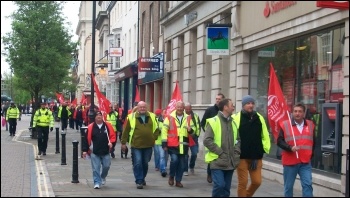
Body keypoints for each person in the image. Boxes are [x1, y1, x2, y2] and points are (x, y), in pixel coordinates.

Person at [232, 95, 271, 197]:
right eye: (248, 103)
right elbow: (232, 136)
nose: (251, 105)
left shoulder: (259, 117)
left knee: (257, 182)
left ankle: (246, 195)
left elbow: (265, 135)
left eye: (252, 103)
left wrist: (263, 150)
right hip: (241, 156)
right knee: (243, 182)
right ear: (243, 105)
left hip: (256, 157)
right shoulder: (236, 118)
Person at [204, 98, 241, 197]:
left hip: (230, 161)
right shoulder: (213, 121)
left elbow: (238, 140)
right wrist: (220, 152)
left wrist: (236, 153)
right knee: (220, 185)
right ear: (225, 107)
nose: (233, 107)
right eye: (232, 105)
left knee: (226, 189)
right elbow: (207, 140)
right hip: (217, 161)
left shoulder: (233, 122)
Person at [277, 103, 315, 197]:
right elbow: (279, 141)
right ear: (292, 113)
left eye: (300, 111)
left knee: (308, 185)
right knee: (288, 187)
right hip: (290, 162)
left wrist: (311, 155)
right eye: (295, 111)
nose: (297, 113)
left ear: (304, 113)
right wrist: (290, 148)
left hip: (305, 162)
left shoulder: (311, 125)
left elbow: (314, 142)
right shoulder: (285, 125)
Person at [121, 101, 160, 189]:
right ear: (137, 108)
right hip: (136, 145)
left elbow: (157, 129)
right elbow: (126, 131)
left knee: (145, 163)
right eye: (140, 107)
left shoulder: (152, 116)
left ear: (147, 108)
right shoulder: (131, 117)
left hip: (148, 145)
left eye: (144, 107)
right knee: (138, 163)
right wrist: (123, 143)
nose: (142, 108)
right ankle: (139, 180)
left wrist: (154, 138)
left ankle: (142, 178)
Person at [162, 101, 195, 188]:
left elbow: (193, 131)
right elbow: (164, 130)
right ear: (175, 107)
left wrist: (190, 130)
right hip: (173, 144)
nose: (180, 109)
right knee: (174, 160)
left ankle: (178, 181)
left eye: (181, 107)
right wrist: (164, 143)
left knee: (182, 164)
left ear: (183, 108)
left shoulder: (188, 117)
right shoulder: (169, 117)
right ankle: (172, 176)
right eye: (178, 107)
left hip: (184, 145)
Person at [82, 111, 116, 189]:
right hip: (95, 152)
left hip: (105, 151)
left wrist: (112, 144)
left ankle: (103, 176)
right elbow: (86, 140)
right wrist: (85, 150)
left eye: (100, 115)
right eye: (97, 115)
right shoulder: (90, 127)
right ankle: (97, 182)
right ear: (94, 117)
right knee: (95, 168)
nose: (99, 116)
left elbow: (113, 136)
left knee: (106, 166)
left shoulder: (108, 126)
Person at [201, 93, 225, 183]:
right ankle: (209, 174)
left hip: (222, 138)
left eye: (219, 99)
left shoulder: (225, 110)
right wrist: (207, 132)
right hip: (212, 139)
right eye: (216, 99)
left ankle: (219, 174)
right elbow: (203, 122)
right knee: (212, 157)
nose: (217, 100)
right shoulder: (210, 110)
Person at [183, 102, 201, 175]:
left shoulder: (195, 116)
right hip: (185, 137)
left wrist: (197, 135)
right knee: (185, 155)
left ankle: (192, 166)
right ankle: (185, 170)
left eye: (189, 109)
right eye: (186, 109)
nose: (187, 110)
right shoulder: (183, 116)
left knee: (194, 153)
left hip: (194, 137)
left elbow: (198, 126)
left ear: (191, 108)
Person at [153, 108, 168, 177]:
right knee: (160, 155)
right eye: (164, 112)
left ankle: (163, 166)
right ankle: (162, 169)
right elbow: (155, 130)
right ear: (161, 113)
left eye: (166, 112)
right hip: (159, 141)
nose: (165, 114)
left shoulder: (169, 121)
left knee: (165, 156)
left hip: (168, 142)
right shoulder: (157, 120)